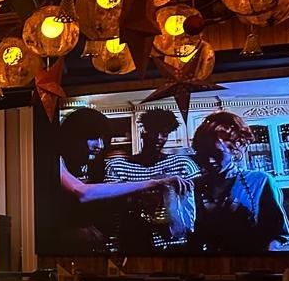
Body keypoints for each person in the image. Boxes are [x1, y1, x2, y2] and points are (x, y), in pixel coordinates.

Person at [57, 107, 192, 252]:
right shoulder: (56, 160)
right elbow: (82, 192)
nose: (100, 145)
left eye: (102, 138)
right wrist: (154, 182)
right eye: (94, 137)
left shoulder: (88, 164)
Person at [191, 111, 289, 253]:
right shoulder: (196, 186)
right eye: (204, 154)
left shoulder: (259, 181)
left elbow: (279, 234)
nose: (210, 160)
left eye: (216, 154)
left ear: (234, 149)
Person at [104, 108, 200, 252]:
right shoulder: (118, 166)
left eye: (164, 134)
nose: (159, 138)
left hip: (176, 244)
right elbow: (110, 203)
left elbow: (197, 204)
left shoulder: (183, 164)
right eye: (154, 132)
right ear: (143, 132)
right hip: (134, 243)